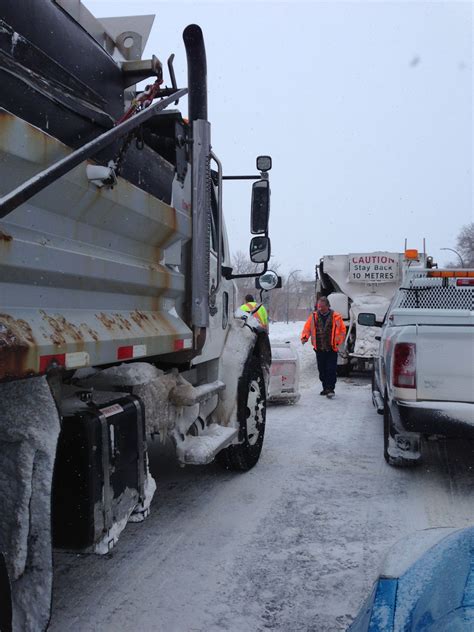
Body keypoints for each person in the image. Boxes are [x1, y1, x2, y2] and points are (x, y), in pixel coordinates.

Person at [300, 296, 346, 398]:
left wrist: (338, 341)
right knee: (322, 370)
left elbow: (342, 330)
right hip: (319, 348)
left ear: (327, 306)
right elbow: (307, 328)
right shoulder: (313, 316)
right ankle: (325, 388)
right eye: (318, 306)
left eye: (322, 306)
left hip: (331, 349)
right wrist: (304, 337)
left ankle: (330, 388)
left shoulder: (336, 316)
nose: (319, 308)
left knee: (331, 369)